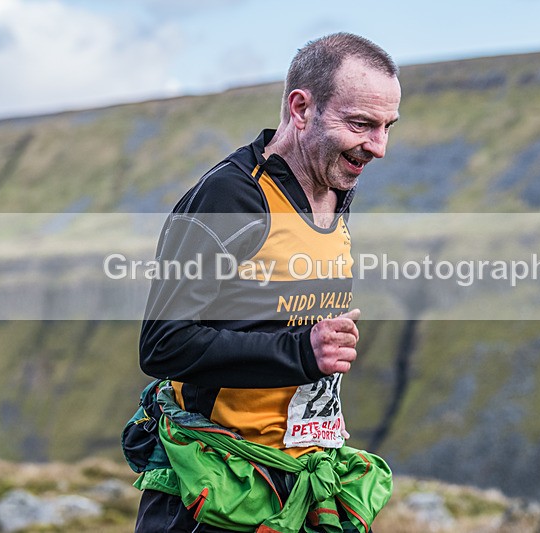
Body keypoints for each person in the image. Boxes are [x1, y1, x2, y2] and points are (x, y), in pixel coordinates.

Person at [131, 32, 401, 532]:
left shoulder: (334, 187)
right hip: (213, 492)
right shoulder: (231, 197)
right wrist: (302, 352)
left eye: (387, 127)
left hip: (302, 483)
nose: (378, 147)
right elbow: (162, 345)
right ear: (301, 108)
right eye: (361, 124)